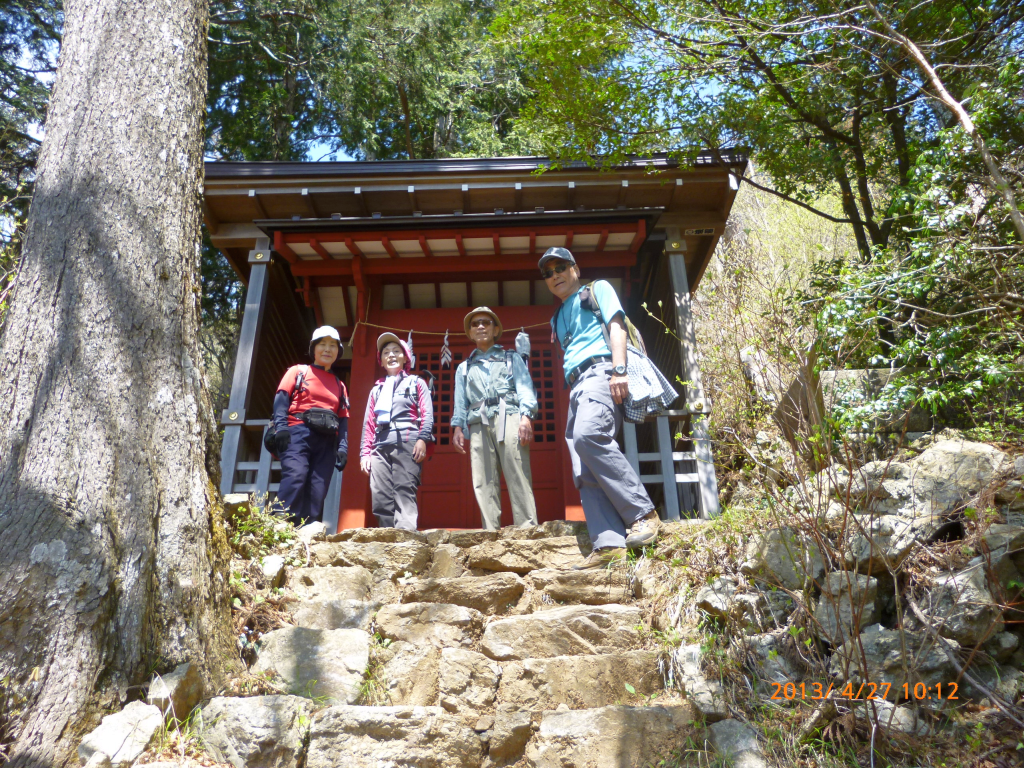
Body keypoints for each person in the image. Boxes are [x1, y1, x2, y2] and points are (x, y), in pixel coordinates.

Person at [540, 246, 660, 569]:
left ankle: (643, 514)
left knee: (589, 435)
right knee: (583, 466)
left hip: (600, 372)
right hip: (576, 386)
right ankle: (608, 542)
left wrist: (619, 369)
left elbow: (616, 325)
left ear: (575, 268)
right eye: (548, 273)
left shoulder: (597, 290)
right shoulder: (558, 316)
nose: (555, 276)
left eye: (560, 267)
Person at [451, 307, 539, 530]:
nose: (480, 326)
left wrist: (526, 417)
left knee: (516, 469)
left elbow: (525, 388)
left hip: (508, 414)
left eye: (486, 323)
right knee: (483, 478)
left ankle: (527, 528)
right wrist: (457, 428)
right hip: (478, 422)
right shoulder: (464, 368)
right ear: (470, 333)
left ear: (496, 329)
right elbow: (460, 401)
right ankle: (490, 531)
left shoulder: (511, 357)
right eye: (475, 324)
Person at [272, 326, 350, 525]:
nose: (327, 349)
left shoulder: (340, 385)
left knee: (318, 487)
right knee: (296, 475)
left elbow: (343, 418)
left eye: (332, 345)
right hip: (297, 432)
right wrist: (281, 428)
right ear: (313, 349)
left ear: (338, 352)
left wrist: (342, 447)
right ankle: (279, 523)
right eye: (322, 344)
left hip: (326, 440)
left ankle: (305, 529)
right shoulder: (298, 371)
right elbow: (281, 400)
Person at [359, 333, 433, 530]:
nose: (391, 355)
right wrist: (365, 453)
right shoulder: (376, 390)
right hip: (379, 447)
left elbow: (427, 414)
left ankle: (406, 539)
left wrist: (423, 439)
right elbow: (369, 425)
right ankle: (387, 538)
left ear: (405, 357)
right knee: (380, 495)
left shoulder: (417, 383)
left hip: (407, 442)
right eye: (386, 353)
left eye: (396, 351)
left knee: (404, 490)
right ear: (381, 360)